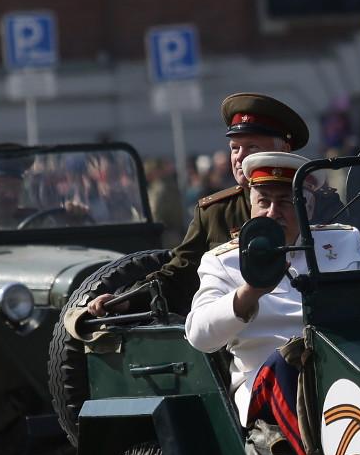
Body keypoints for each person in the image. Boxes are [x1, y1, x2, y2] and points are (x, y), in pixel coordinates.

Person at [185, 152, 360, 455]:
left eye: (285, 202)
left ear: (306, 207)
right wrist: (249, 293)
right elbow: (198, 334)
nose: (273, 212)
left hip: (343, 377)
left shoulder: (340, 242)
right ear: (251, 205)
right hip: (271, 391)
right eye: (264, 202)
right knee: (284, 363)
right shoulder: (224, 262)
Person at [88, 93, 309, 317]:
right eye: (234, 148)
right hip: (235, 333)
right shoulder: (216, 212)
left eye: (251, 148)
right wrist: (128, 301)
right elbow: (180, 275)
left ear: (284, 151)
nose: (239, 158)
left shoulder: (316, 204)